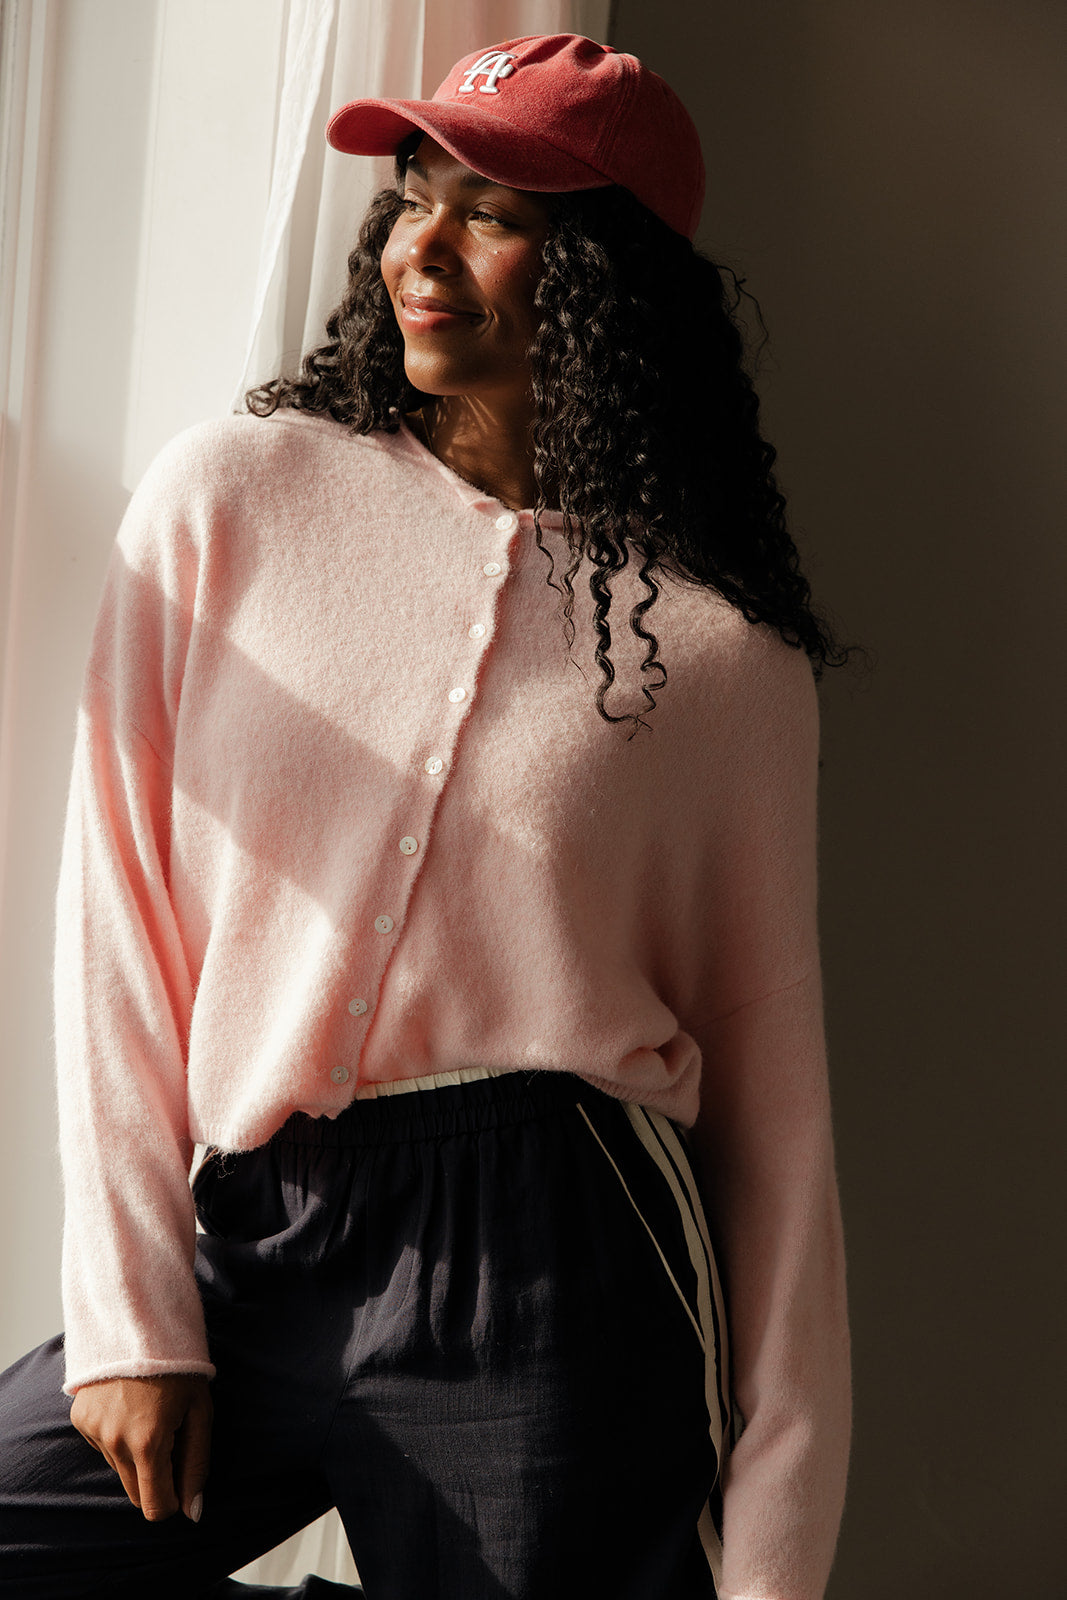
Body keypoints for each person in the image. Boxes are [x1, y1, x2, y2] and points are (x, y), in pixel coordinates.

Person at [0, 33, 850, 1600]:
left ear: (606, 278)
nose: (421, 247)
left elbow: (776, 1118)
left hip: (561, 1254)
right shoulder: (228, 501)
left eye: (493, 214)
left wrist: (779, 1553)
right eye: (412, 196)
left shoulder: (726, 659)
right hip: (259, 1223)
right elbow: (112, 917)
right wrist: (129, 1316)